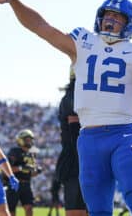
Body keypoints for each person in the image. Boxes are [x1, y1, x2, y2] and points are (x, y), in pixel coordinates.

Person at [0, 0, 132, 216]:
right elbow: (41, 28)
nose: (110, 20)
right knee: (97, 209)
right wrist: (14, 2)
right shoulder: (83, 42)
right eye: (108, 15)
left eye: (117, 17)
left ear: (128, 24)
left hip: (122, 135)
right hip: (89, 138)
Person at [55, 68, 87, 216]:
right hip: (76, 162)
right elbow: (75, 132)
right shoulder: (74, 96)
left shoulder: (77, 94)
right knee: (77, 211)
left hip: (81, 160)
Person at [5, 129, 42, 216]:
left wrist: (37, 171)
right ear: (21, 140)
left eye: (30, 140)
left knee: (29, 208)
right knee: (11, 210)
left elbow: (31, 173)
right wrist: (21, 167)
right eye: (27, 139)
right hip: (14, 184)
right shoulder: (15, 151)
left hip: (26, 184)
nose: (29, 142)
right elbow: (7, 168)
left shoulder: (31, 153)